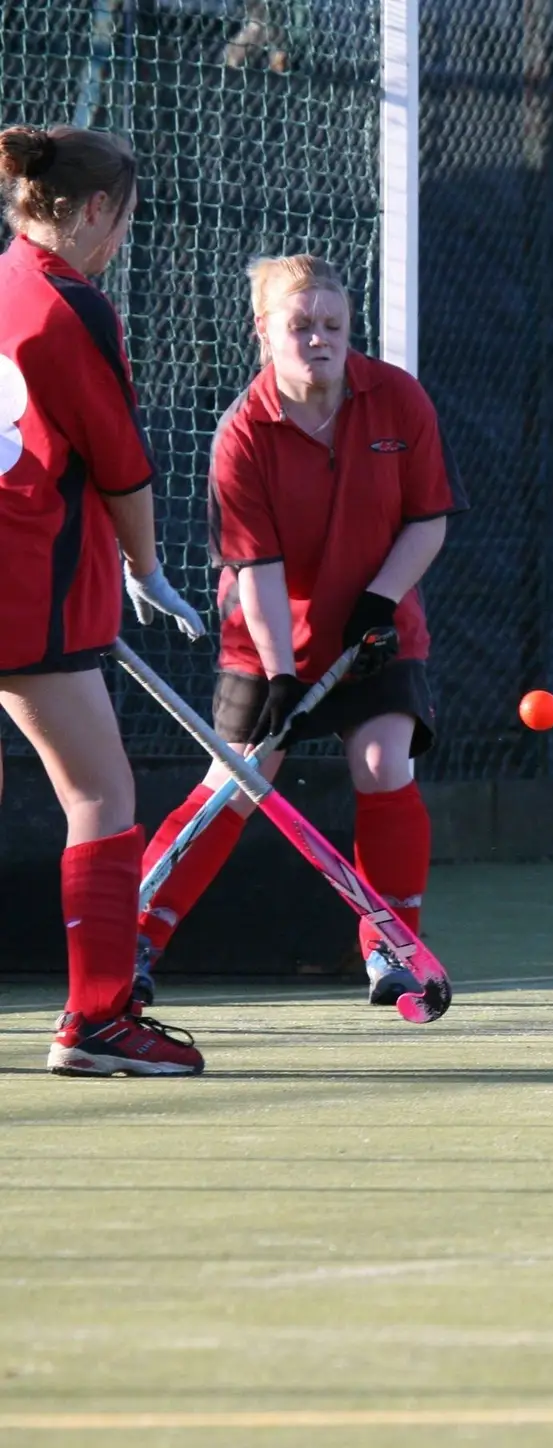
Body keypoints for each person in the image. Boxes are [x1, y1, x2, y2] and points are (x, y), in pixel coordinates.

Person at [132, 254, 466, 1006]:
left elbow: (428, 519)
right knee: (236, 784)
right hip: (266, 636)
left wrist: (378, 603)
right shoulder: (242, 434)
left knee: (383, 763)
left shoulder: (398, 400)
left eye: (334, 325)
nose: (321, 339)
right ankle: (135, 941)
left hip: (376, 630)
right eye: (302, 326)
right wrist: (282, 672)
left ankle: (393, 950)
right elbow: (257, 569)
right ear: (263, 331)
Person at [0, 124, 211, 1075]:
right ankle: (97, 1021)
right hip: (24, 581)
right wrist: (145, 566)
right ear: (93, 210)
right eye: (123, 220)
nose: (122, 238)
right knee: (100, 793)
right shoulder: (72, 304)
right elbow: (121, 463)